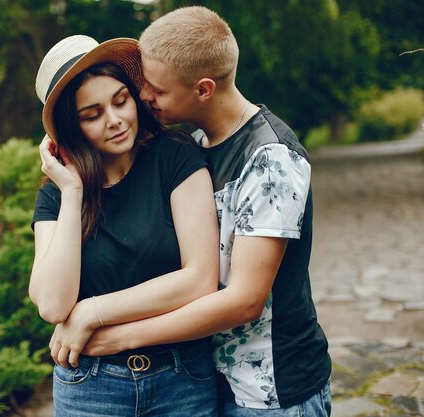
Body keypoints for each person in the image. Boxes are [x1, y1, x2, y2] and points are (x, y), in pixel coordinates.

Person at [83, 6, 332, 417]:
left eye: (158, 90)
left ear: (203, 89)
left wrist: (119, 337)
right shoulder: (197, 143)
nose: (144, 96)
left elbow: (245, 301)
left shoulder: (271, 159)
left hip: (271, 395)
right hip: (213, 382)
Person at [30, 34, 220, 416]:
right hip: (90, 387)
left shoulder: (175, 156)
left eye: (121, 101)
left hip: (182, 380)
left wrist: (91, 312)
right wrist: (71, 192)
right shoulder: (57, 196)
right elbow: (52, 305)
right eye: (92, 114)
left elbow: (200, 279)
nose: (115, 121)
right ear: (71, 127)